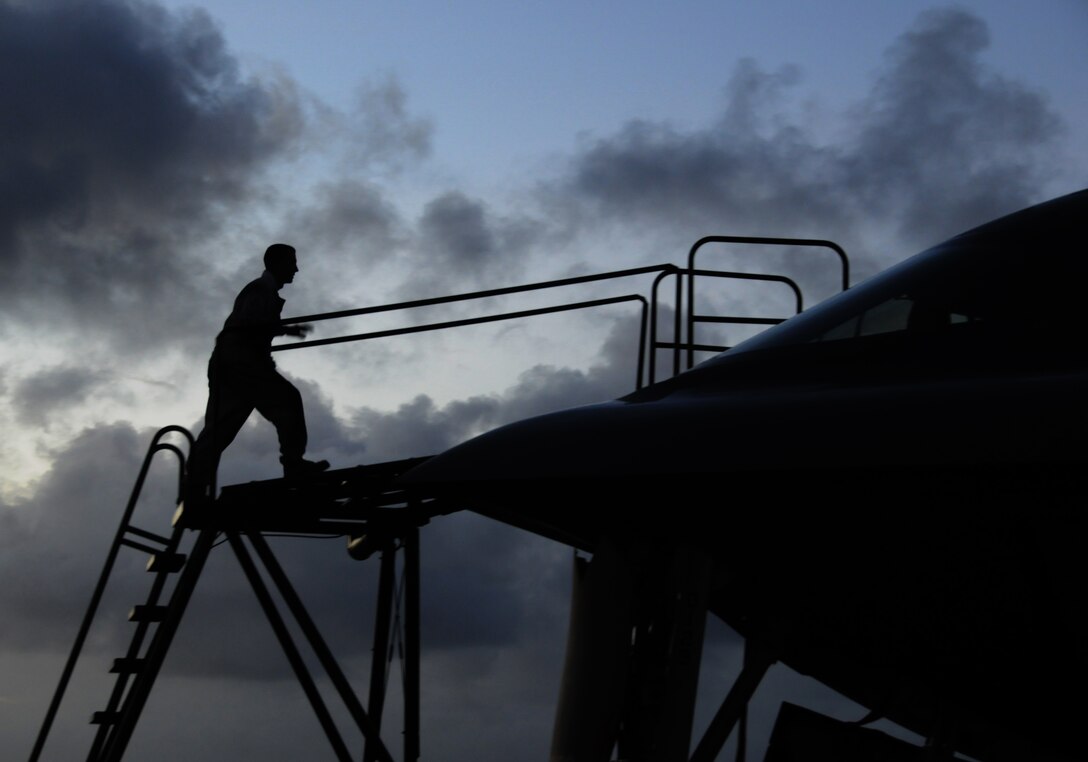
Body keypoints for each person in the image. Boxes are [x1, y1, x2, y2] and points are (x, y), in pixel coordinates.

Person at [185, 243, 329, 504]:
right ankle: (293, 464)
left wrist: (282, 330)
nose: (296, 268)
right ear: (277, 264)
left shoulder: (262, 290)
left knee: (220, 429)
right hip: (242, 364)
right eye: (292, 262)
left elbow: (254, 327)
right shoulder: (260, 290)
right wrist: (284, 330)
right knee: (288, 401)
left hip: (231, 363)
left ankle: (193, 488)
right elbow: (252, 326)